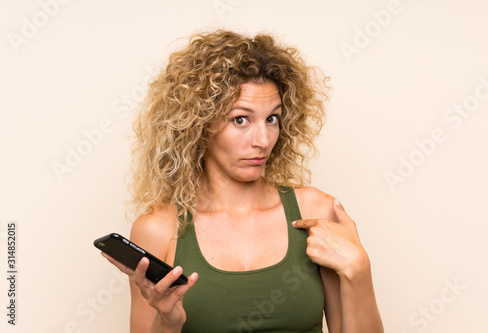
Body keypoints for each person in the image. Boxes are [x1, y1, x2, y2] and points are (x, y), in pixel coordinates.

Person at [102, 30, 384, 333]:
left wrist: (359, 269)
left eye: (272, 119)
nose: (263, 140)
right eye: (241, 119)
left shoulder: (315, 212)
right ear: (199, 124)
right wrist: (169, 323)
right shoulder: (159, 229)